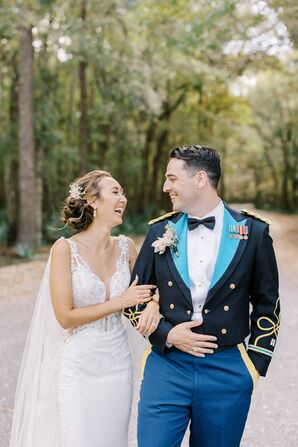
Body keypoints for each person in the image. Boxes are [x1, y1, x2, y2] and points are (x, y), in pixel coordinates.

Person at [124, 146, 280, 447]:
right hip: (166, 366)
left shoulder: (253, 232)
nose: (165, 187)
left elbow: (267, 303)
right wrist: (166, 333)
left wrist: (254, 365)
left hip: (227, 369)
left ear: (199, 179)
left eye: (172, 179)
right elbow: (134, 298)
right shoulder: (160, 231)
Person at [9, 170, 160, 447]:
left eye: (123, 192)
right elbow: (66, 317)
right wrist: (119, 302)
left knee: (113, 439)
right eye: (115, 191)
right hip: (79, 365)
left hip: (118, 363)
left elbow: (155, 285)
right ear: (92, 200)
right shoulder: (64, 250)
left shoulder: (126, 247)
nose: (123, 198)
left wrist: (154, 303)